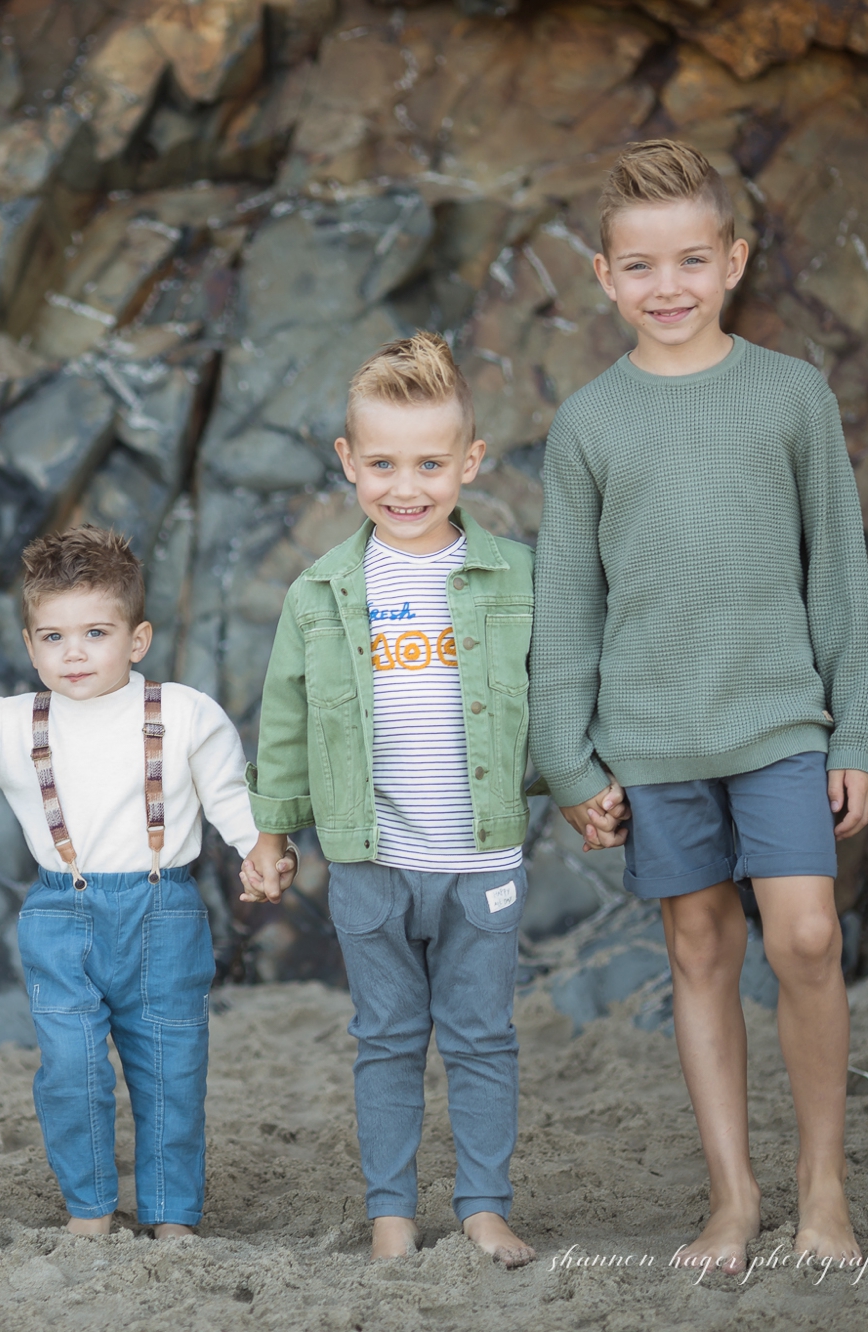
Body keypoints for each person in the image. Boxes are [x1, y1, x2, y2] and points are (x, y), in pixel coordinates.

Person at [529, 139, 868, 1276]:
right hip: (652, 736)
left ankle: (821, 1189)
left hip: (778, 720)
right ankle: (732, 1198)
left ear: (731, 260)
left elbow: (835, 573)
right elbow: (567, 606)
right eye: (640, 267)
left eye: (691, 259)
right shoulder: (588, 423)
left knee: (806, 936)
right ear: (602, 275)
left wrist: (857, 730)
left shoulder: (789, 394)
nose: (667, 286)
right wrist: (568, 763)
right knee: (696, 946)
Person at [242, 333, 566, 1268]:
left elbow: (556, 695)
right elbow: (287, 719)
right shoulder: (324, 594)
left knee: (480, 1038)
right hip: (370, 864)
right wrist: (273, 828)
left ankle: (483, 1207)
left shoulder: (515, 578)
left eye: (430, 463)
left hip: (482, 863)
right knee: (384, 1040)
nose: (406, 486)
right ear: (348, 462)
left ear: (470, 462)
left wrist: (584, 788)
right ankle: (391, 1213)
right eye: (381, 464)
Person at [0, 525, 271, 1238]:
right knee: (70, 1071)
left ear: (137, 638)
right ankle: (89, 1210)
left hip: (163, 913)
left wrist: (260, 852)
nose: (73, 653)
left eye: (96, 632)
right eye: (53, 636)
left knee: (171, 1069)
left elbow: (230, 801)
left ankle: (172, 1216)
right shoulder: (12, 724)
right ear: (30, 645)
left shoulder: (183, 715)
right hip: (62, 917)